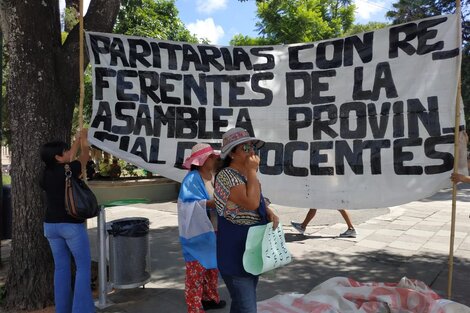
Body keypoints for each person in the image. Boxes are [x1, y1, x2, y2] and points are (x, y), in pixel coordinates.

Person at [214, 127, 279, 313]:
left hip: (250, 250)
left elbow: (257, 201)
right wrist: (252, 171)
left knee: (241, 303)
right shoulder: (226, 175)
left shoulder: (246, 175)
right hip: (235, 253)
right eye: (245, 148)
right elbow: (250, 203)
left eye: (252, 146)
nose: (252, 151)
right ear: (232, 154)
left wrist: (268, 211)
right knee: (248, 307)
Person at [39, 129, 95, 313]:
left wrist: (77, 140)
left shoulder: (45, 174)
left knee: (61, 269)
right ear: (57, 157)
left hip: (50, 226)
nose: (68, 153)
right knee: (83, 268)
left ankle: (62, 309)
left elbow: (70, 155)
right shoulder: (69, 169)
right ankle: (82, 310)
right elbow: (85, 156)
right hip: (70, 226)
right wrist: (84, 141)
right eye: (64, 152)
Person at [178, 143, 226, 313]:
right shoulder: (191, 179)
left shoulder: (213, 176)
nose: (215, 159)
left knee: (212, 267)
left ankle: (210, 298)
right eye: (212, 157)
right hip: (197, 234)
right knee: (196, 271)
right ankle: (194, 306)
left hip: (213, 230)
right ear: (203, 160)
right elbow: (185, 206)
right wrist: (210, 203)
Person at [291, 209, 357, 238]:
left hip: (328, 190)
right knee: (314, 206)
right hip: (329, 189)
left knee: (314, 205)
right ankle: (303, 226)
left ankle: (351, 229)